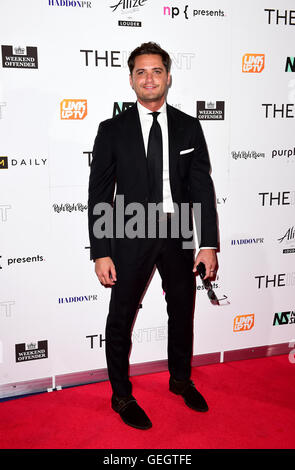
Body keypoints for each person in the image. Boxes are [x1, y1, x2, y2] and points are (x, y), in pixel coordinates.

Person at [88, 42, 218, 430]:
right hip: (129, 229)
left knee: (182, 310)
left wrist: (207, 244)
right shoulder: (111, 130)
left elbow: (201, 189)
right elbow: (99, 193)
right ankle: (121, 394)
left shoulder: (189, 126)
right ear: (131, 79)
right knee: (121, 316)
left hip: (178, 232)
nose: (149, 78)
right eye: (141, 72)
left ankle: (180, 379)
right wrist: (101, 251)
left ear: (168, 77)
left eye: (156, 71)